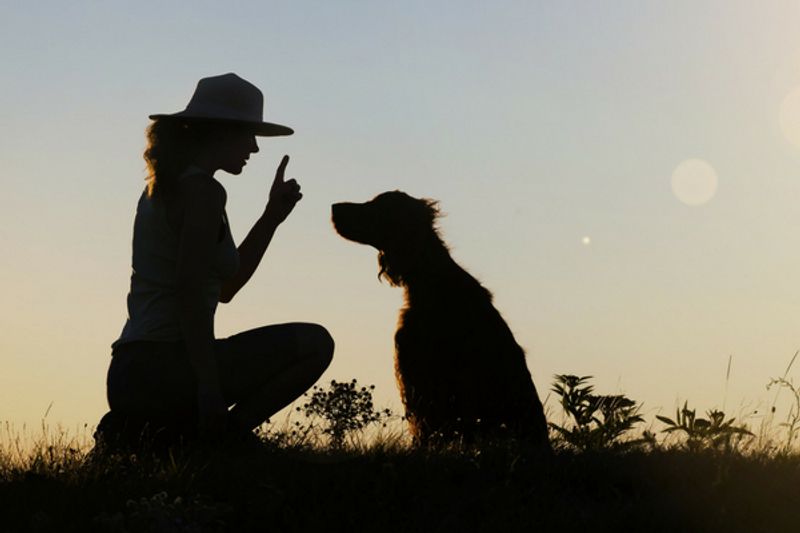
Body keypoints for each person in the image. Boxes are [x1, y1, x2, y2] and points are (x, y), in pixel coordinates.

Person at [97, 73, 334, 450]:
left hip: (131, 371)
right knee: (316, 343)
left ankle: (172, 437)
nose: (254, 148)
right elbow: (189, 292)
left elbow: (225, 289)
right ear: (220, 132)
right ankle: (224, 443)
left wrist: (271, 217)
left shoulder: (163, 188)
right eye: (248, 134)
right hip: (165, 366)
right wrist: (208, 389)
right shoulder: (204, 192)